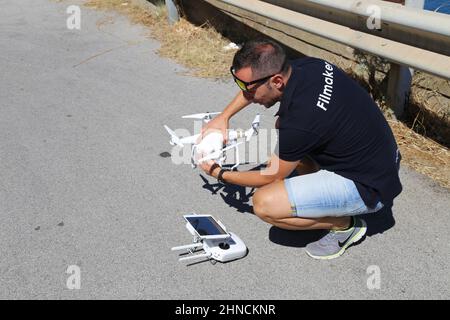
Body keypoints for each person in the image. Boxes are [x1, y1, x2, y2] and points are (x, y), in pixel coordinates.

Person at [199, 39, 402, 260]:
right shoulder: (308, 66)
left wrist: (220, 173)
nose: (246, 93)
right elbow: (256, 91)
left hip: (368, 186)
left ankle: (345, 226)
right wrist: (223, 117)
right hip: (381, 158)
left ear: (276, 81)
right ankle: (321, 188)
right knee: (286, 136)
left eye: (247, 88)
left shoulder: (300, 120)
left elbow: (271, 175)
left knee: (265, 203)